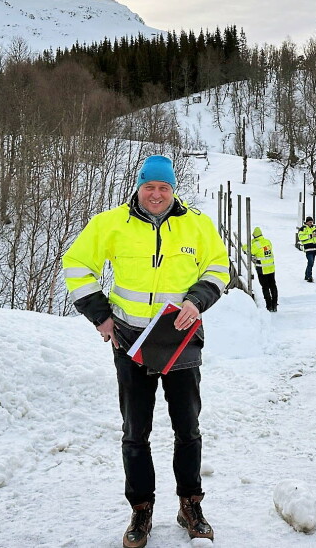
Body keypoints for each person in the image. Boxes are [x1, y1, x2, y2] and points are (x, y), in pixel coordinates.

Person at [62, 155, 229, 547]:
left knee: (187, 426)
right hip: (130, 339)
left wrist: (198, 300)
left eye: (164, 188)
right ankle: (141, 509)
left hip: (180, 338)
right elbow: (76, 265)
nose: (156, 194)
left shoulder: (197, 225)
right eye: (150, 187)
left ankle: (190, 504)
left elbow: (219, 268)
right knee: (135, 431)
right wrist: (100, 315)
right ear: (139, 187)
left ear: (173, 190)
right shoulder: (109, 224)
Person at [243, 227, 279, 311]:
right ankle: (275, 304)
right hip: (271, 268)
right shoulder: (267, 242)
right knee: (273, 286)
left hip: (262, 269)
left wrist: (245, 245)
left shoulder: (256, 245)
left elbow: (248, 250)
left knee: (265, 287)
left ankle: (269, 305)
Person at [297, 216, 316, 282]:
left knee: (311, 263)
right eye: (310, 222)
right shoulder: (303, 228)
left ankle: (306, 275)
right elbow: (300, 237)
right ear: (307, 222)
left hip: (314, 247)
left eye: (312, 222)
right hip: (308, 247)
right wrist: (310, 236)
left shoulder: (314, 227)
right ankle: (309, 276)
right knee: (310, 261)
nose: (311, 223)